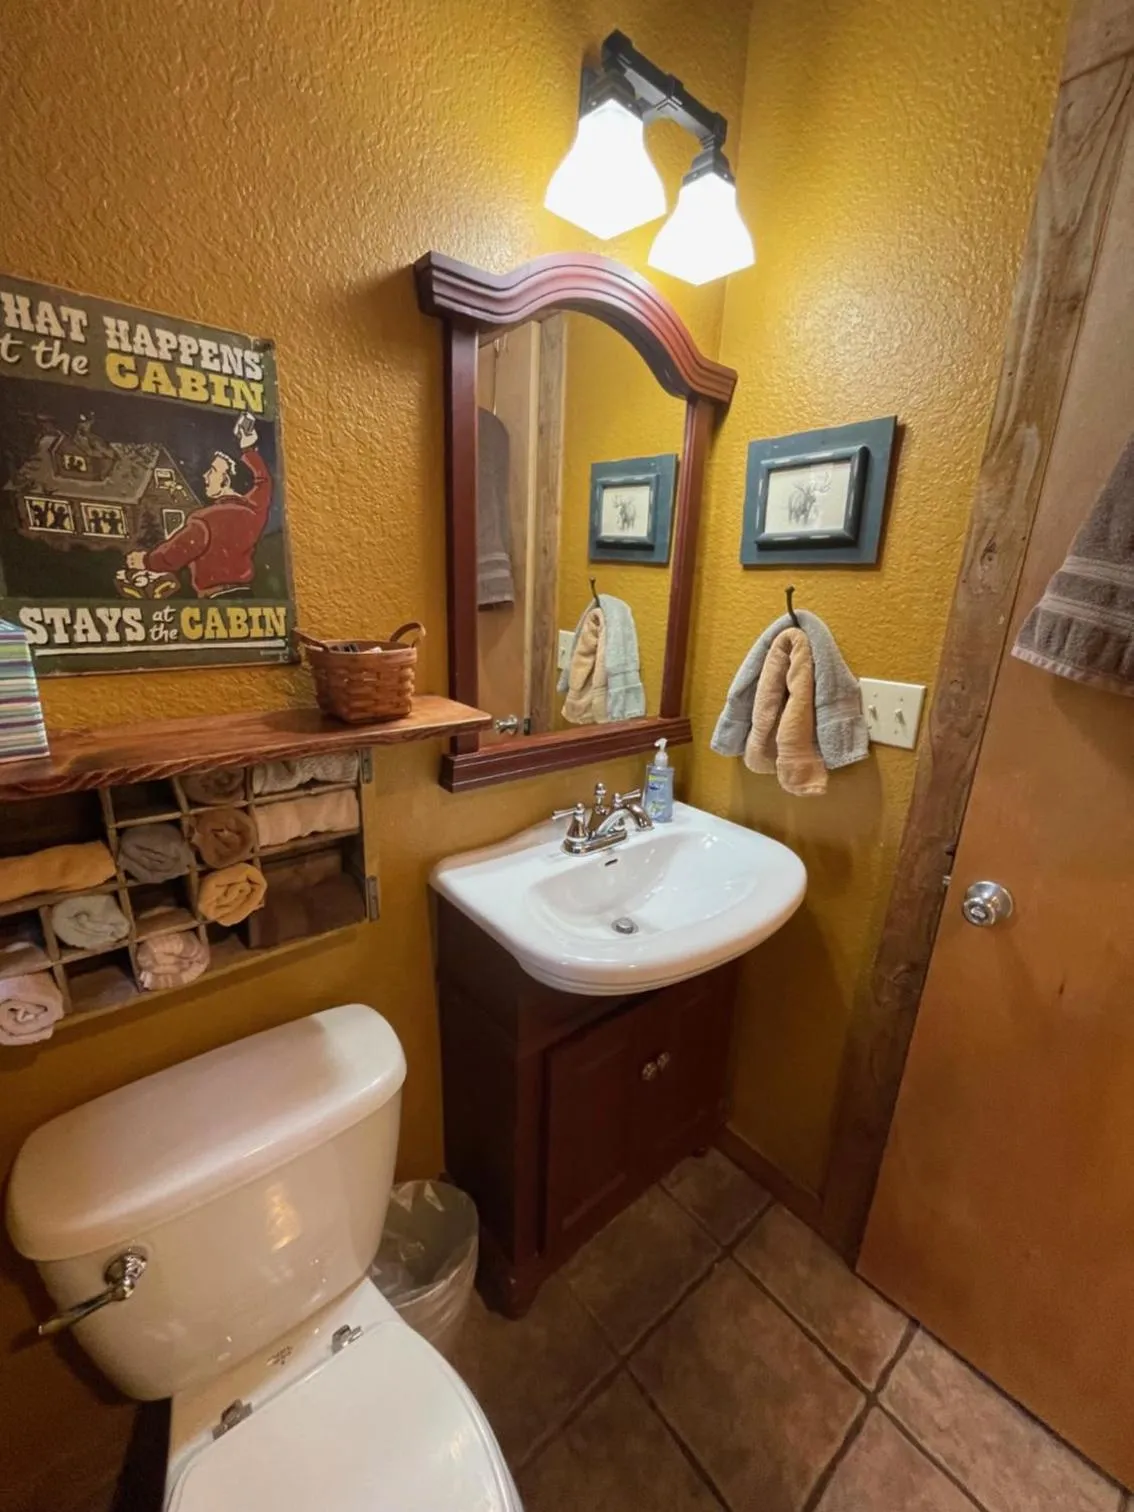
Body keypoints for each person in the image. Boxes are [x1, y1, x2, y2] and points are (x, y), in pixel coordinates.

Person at [126, 412, 271, 596]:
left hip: (216, 602)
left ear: (226, 480)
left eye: (212, 471)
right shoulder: (254, 512)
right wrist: (248, 449)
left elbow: (176, 553)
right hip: (244, 596)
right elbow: (263, 482)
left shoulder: (204, 520)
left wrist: (145, 561)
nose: (205, 476)